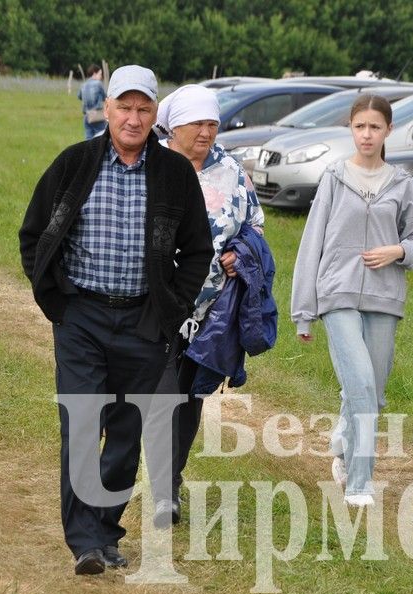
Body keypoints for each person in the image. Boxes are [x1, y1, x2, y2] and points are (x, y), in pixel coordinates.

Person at [19, 65, 213, 576]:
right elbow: (34, 234)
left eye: (143, 108)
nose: (132, 118)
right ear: (106, 109)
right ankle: (84, 540)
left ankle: (105, 530)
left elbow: (198, 251)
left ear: (156, 115)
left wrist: (172, 309)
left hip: (144, 321)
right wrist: (57, 304)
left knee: (127, 435)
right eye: (123, 107)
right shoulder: (74, 164)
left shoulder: (174, 175)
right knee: (82, 424)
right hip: (80, 317)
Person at [291, 94, 413, 507]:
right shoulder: (334, 178)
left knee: (373, 391)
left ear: (388, 130)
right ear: (351, 129)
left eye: (375, 127)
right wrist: (304, 312)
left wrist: (398, 252)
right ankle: (359, 482)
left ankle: (341, 441)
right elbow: (311, 243)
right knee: (362, 384)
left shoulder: (402, 184)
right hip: (337, 293)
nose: (366, 135)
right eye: (359, 126)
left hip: (385, 297)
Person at [148, 84, 266, 527]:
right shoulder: (150, 163)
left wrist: (242, 251)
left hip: (209, 311)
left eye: (212, 124)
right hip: (152, 304)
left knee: (188, 397)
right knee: (159, 396)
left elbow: (256, 223)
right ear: (173, 125)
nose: (205, 132)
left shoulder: (232, 170)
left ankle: (168, 484)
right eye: (197, 123)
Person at [78, 64, 107, 139]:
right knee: (100, 138)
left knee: (88, 138)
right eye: (100, 74)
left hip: (86, 115)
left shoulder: (83, 85)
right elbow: (105, 97)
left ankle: (87, 151)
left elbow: (79, 96)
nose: (101, 77)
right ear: (94, 73)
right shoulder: (98, 84)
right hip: (97, 114)